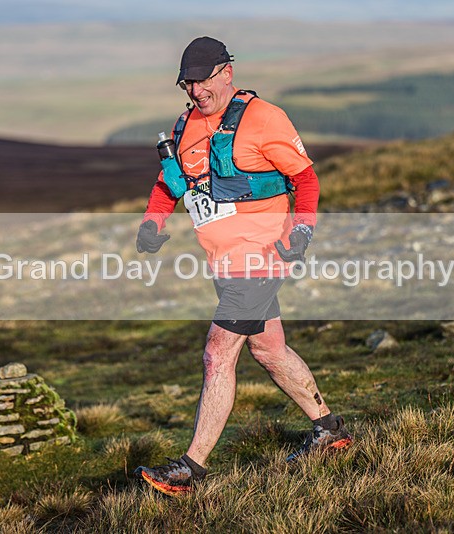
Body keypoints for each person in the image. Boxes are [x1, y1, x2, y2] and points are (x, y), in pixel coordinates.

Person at [133, 36, 352, 496]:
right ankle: (329, 429)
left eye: (202, 80)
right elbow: (168, 184)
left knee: (218, 351)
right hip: (225, 265)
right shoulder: (184, 125)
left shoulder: (265, 119)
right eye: (187, 83)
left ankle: (192, 468)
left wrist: (303, 232)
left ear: (226, 73)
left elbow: (305, 180)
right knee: (269, 350)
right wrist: (153, 224)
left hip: (265, 256)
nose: (195, 91)